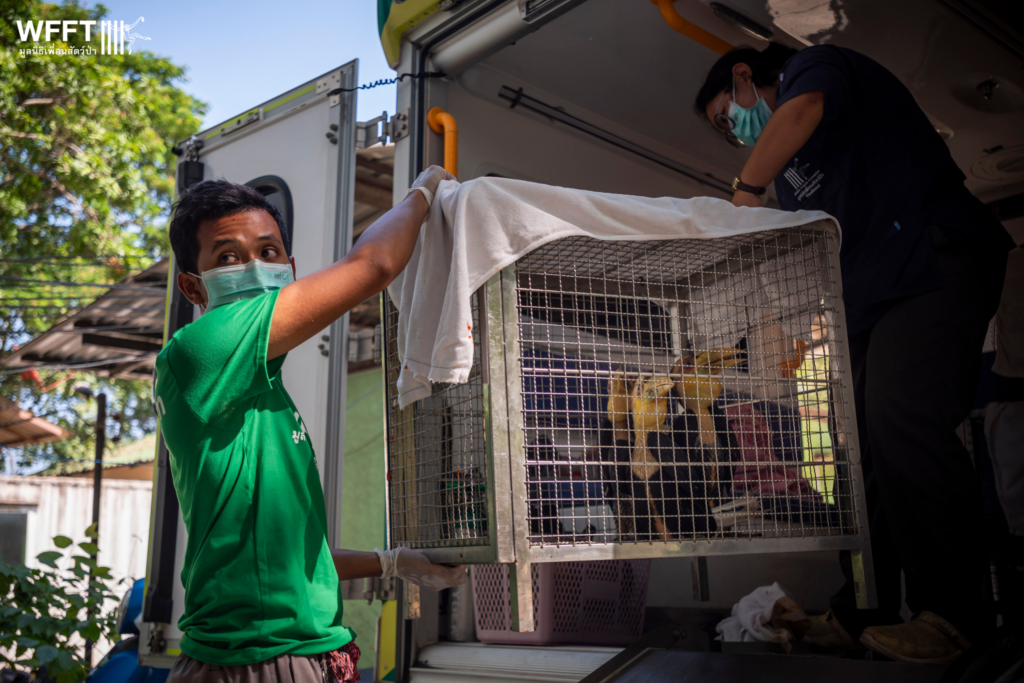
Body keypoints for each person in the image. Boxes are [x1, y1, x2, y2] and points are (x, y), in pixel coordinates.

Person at [694, 43, 1014, 664]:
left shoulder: (813, 71)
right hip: (873, 293)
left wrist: (742, 193)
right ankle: (859, 609)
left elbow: (801, 108)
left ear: (743, 78)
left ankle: (953, 615)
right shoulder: (793, 173)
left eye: (725, 117)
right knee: (859, 447)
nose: (736, 135)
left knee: (903, 417)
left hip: (933, 257)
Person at [155, 166, 466, 683]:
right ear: (193, 286)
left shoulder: (261, 391)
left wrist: (389, 563)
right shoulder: (202, 349)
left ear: (289, 269)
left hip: (294, 654)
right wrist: (422, 194)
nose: (255, 267)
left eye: (269, 252)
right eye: (229, 257)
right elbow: (375, 264)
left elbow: (283, 561)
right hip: (259, 661)